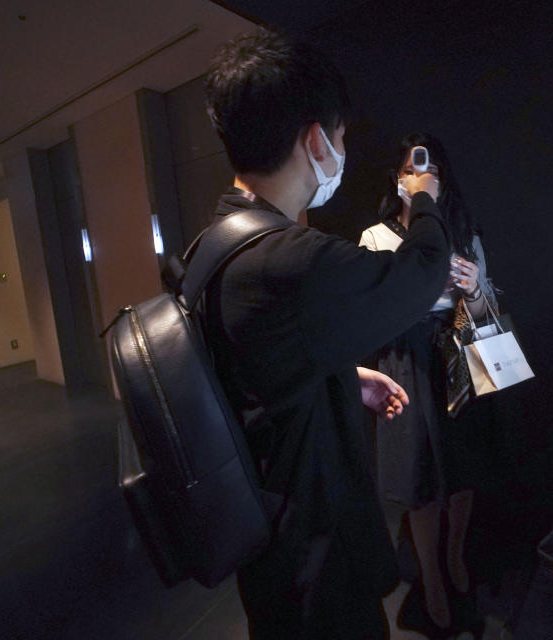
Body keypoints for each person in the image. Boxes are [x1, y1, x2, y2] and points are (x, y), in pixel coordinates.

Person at [202, 29, 451, 639]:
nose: (342, 148)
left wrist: (345, 375)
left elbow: (260, 370)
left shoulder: (218, 242)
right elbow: (419, 275)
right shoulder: (290, 260)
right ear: (315, 139)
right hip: (315, 558)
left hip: (273, 546)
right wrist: (424, 201)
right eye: (340, 136)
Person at [359, 134, 498, 634]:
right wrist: (419, 289)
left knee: (462, 469)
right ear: (397, 178)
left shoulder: (463, 232)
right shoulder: (376, 238)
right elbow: (370, 318)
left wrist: (474, 287)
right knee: (421, 478)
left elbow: (487, 314)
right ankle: (432, 577)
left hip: (458, 355)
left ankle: (456, 556)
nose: (419, 176)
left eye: (429, 167)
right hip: (405, 358)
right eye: (410, 168)